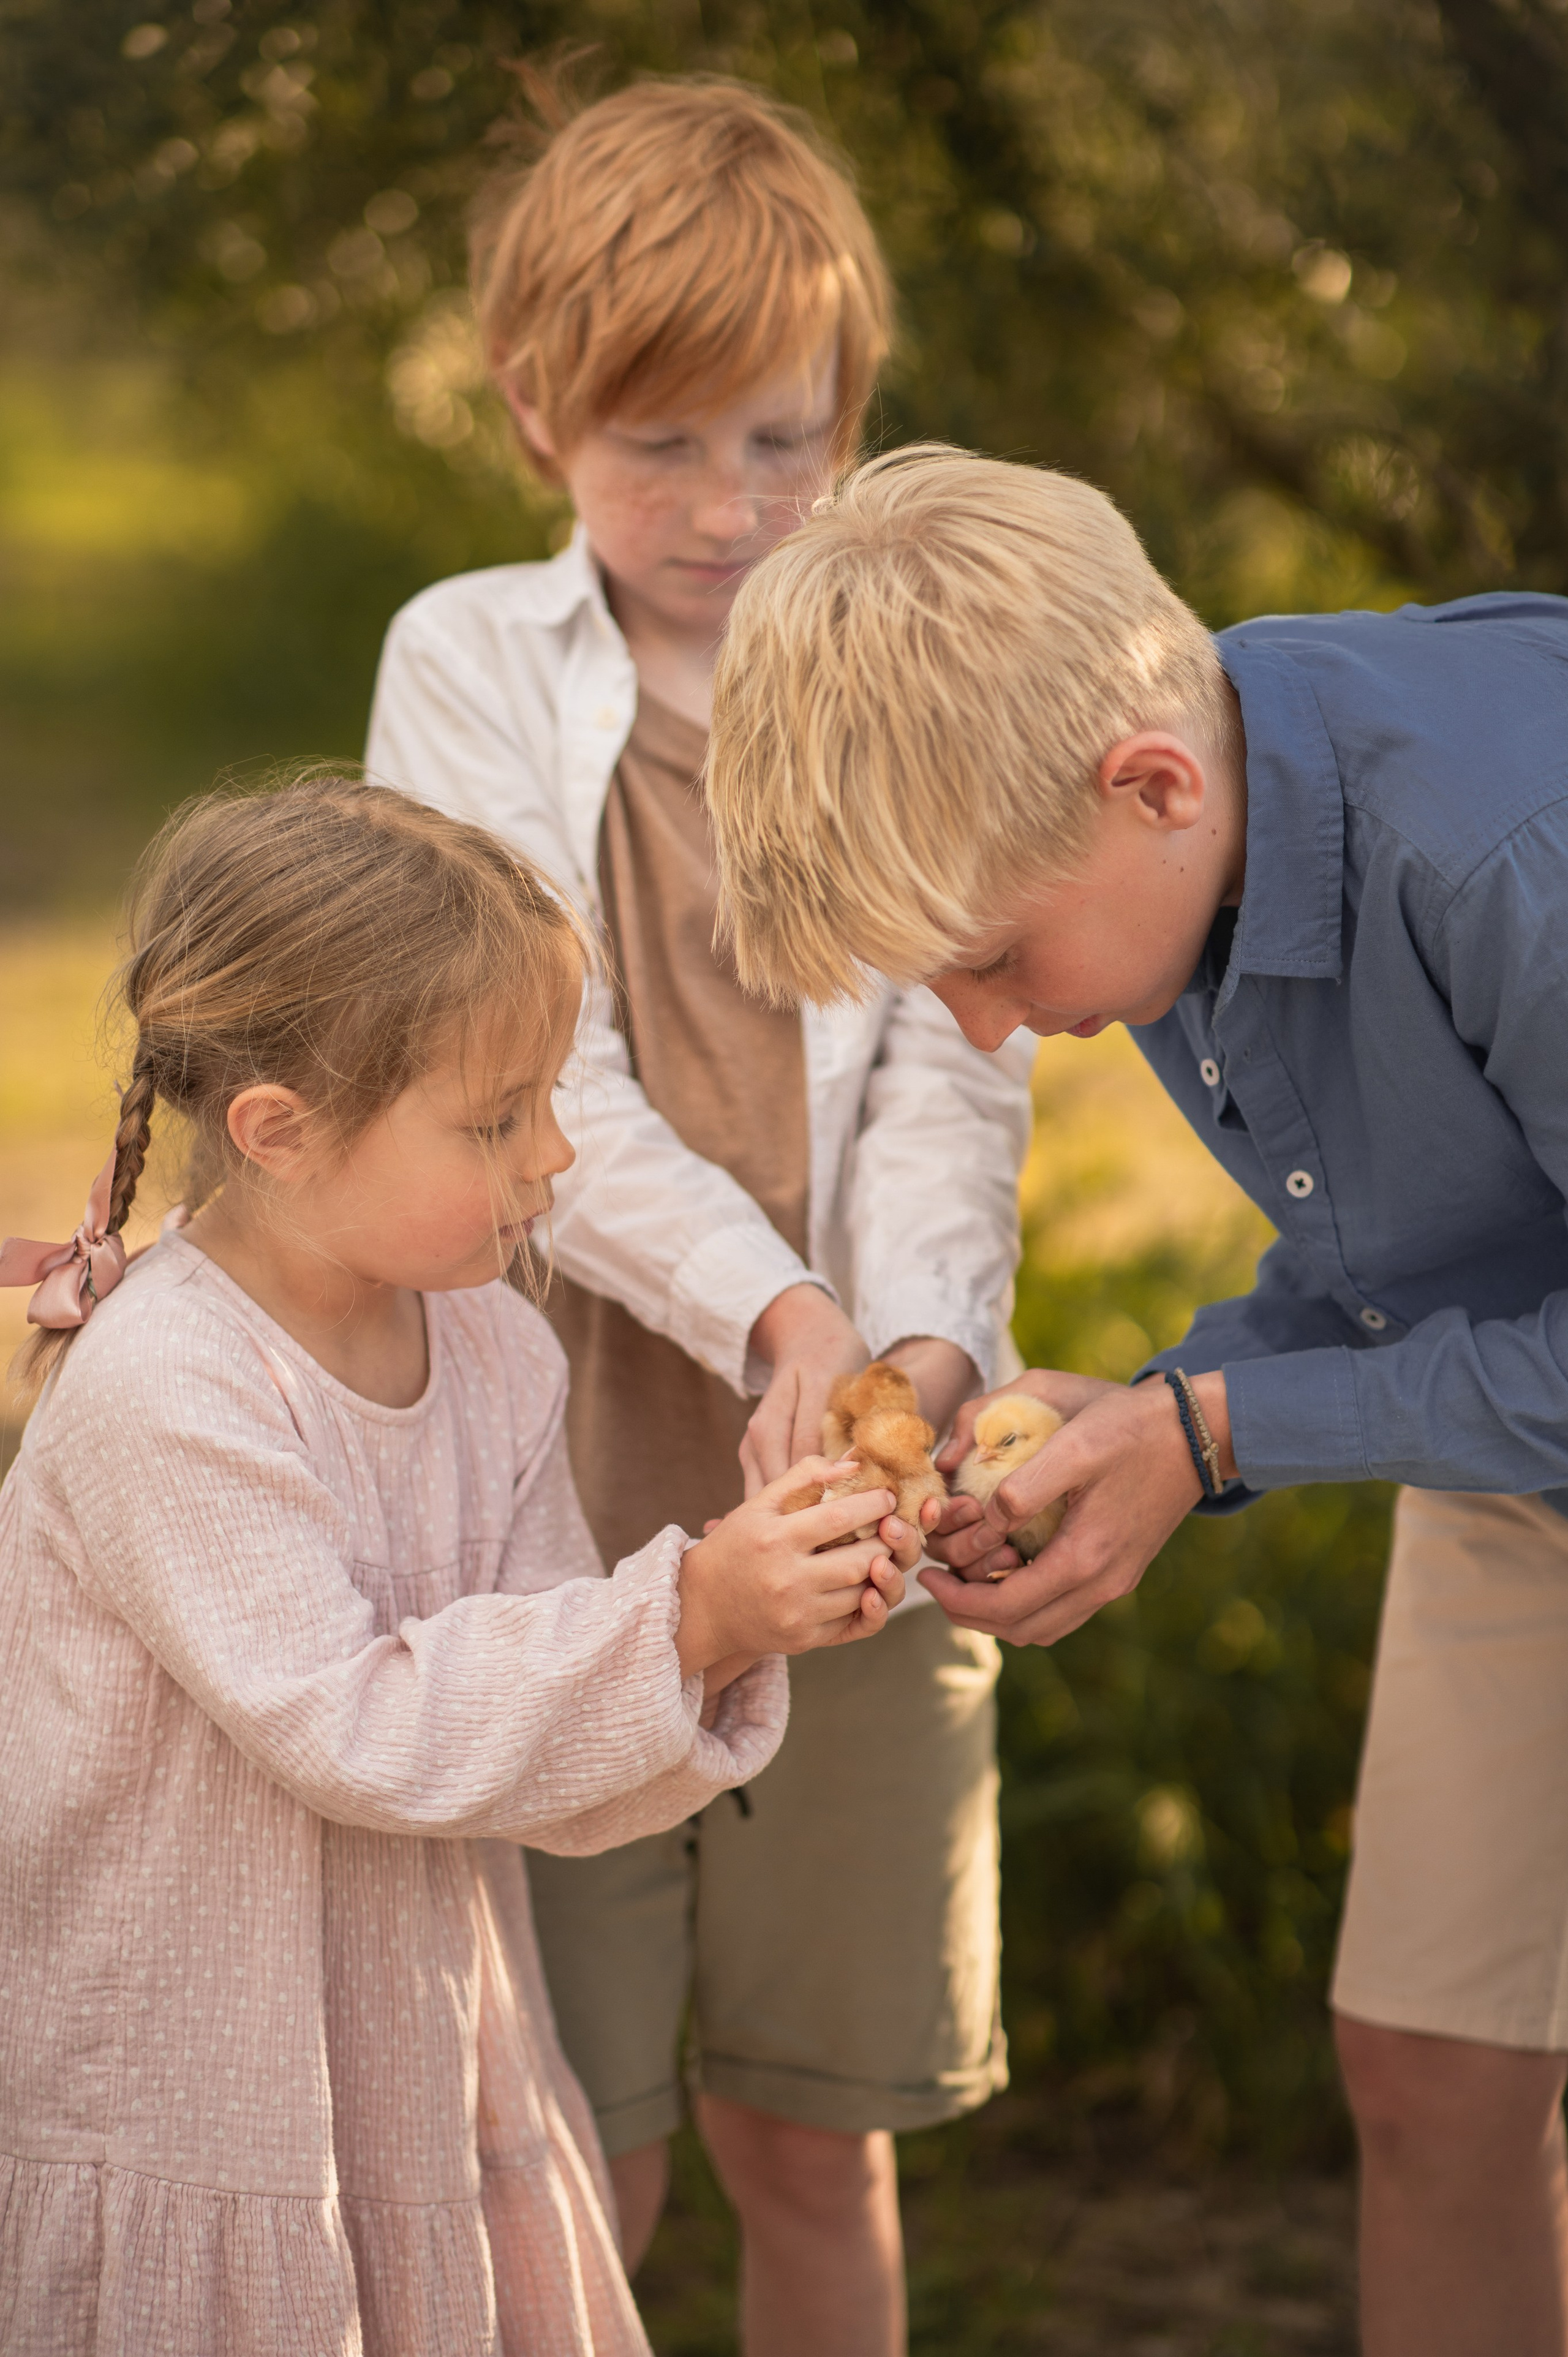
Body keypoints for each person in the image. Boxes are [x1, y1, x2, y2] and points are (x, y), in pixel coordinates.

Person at [703, 442, 1568, 2357]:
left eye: (996, 964)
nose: (993, 1030)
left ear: (1153, 787)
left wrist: (1219, 1437)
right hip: (1523, 1434)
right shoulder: (1192, 840)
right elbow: (1420, 1272)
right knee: (1435, 2062)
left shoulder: (1515, 844)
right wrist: (1162, 1410)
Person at [366, 74, 1034, 2356]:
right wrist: (783, 1319)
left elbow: (962, 1063)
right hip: (565, 1509)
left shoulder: (913, 691)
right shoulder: (462, 665)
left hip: (853, 1505)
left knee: (807, 2138)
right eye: (665, 448)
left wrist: (912, 1358)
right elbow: (536, 1077)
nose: (732, 507)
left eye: (785, 441)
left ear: (852, 413)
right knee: (569, 2141)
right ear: (540, 403)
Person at [0, 774, 915, 2357]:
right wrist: (684, 1609)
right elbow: (355, 1727)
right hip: (192, 2089)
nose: (554, 1155)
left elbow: (534, 1752)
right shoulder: (174, 1388)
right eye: (497, 1119)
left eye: (551, 1096)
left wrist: (731, 1628)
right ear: (278, 1133)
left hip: (420, 2053)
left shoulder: (491, 1345)